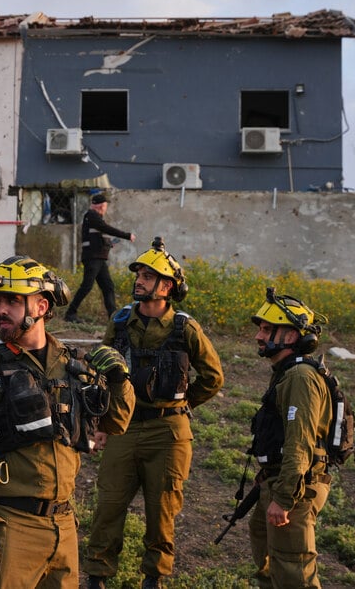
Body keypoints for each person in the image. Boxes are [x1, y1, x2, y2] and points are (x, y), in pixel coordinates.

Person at [0, 255, 135, 588]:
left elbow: (116, 423)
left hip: (64, 528)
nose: (1, 310)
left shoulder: (73, 364)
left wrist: (119, 381)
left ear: (42, 306)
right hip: (9, 527)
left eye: (12, 301)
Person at [85, 238, 225, 589]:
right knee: (108, 507)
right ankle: (97, 576)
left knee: (161, 513)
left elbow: (213, 377)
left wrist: (183, 404)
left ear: (168, 286)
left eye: (149, 276)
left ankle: (154, 578)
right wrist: (102, 423)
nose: (140, 281)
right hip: (123, 429)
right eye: (139, 275)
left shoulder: (185, 328)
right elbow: (102, 372)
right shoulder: (120, 323)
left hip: (169, 434)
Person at [247, 287, 332, 588]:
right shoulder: (285, 372)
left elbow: (300, 442)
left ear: (292, 336)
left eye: (268, 329)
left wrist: (283, 499)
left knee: (295, 574)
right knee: (265, 549)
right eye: (260, 328)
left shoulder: (299, 378)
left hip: (295, 489)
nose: (259, 336)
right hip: (279, 479)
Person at [63, 192, 135, 323]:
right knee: (87, 286)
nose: (106, 208)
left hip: (99, 258)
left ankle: (113, 318)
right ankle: (70, 313)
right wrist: (126, 235)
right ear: (101, 206)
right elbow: (105, 228)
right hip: (93, 258)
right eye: (105, 205)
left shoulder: (95, 218)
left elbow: (98, 236)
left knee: (108, 287)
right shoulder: (91, 215)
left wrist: (108, 244)